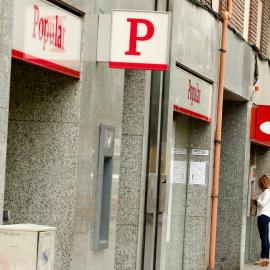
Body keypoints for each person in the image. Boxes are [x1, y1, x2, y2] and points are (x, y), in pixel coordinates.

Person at [252, 175, 270, 266]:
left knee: (264, 238)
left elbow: (262, 204)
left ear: (262, 183)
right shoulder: (267, 192)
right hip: (266, 216)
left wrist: (257, 199)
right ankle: (266, 258)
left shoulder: (267, 191)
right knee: (266, 238)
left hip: (263, 216)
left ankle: (262, 258)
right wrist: (258, 199)